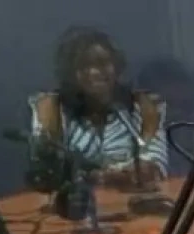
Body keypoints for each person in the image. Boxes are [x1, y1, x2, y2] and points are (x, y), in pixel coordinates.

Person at [27, 27, 168, 189]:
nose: (94, 72)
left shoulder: (143, 106)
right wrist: (102, 177)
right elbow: (46, 169)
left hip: (133, 204)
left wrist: (130, 173)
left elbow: (156, 166)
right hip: (75, 207)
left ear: (116, 66)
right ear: (70, 73)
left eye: (102, 63)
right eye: (83, 66)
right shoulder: (52, 108)